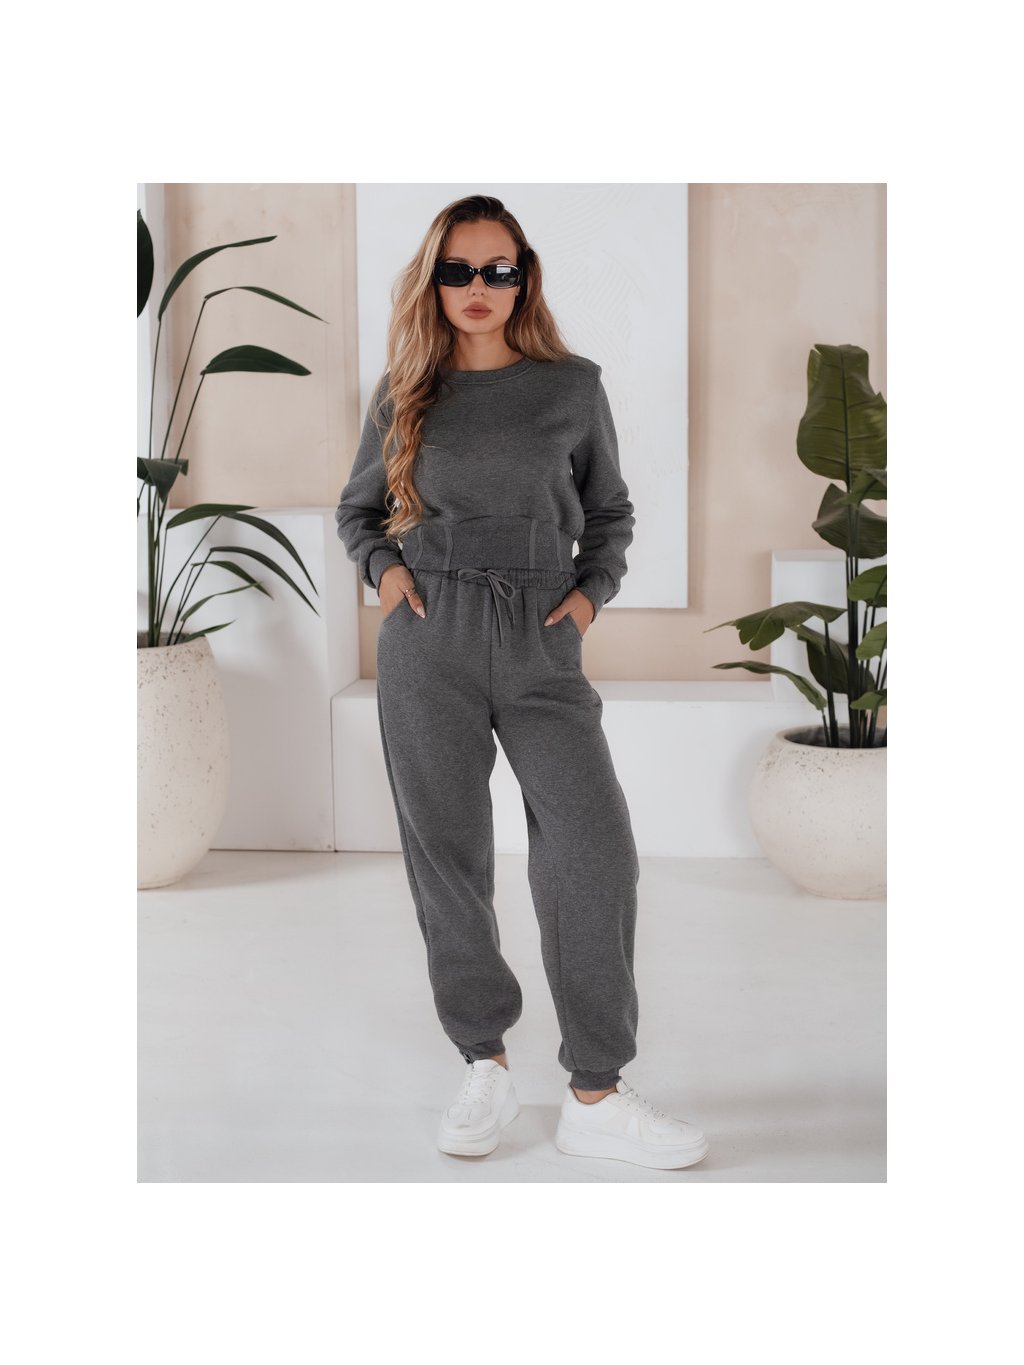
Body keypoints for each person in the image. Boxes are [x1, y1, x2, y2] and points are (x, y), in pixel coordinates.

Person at [335, 194, 709, 1171]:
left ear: (524, 277)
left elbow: (610, 512)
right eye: (457, 270)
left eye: (497, 269)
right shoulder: (404, 391)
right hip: (431, 637)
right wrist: (388, 576)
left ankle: (597, 1092)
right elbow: (358, 513)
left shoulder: (572, 387)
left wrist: (585, 600)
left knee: (594, 850)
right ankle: (484, 1062)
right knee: (448, 857)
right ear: (433, 281)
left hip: (542, 636)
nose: (478, 287)